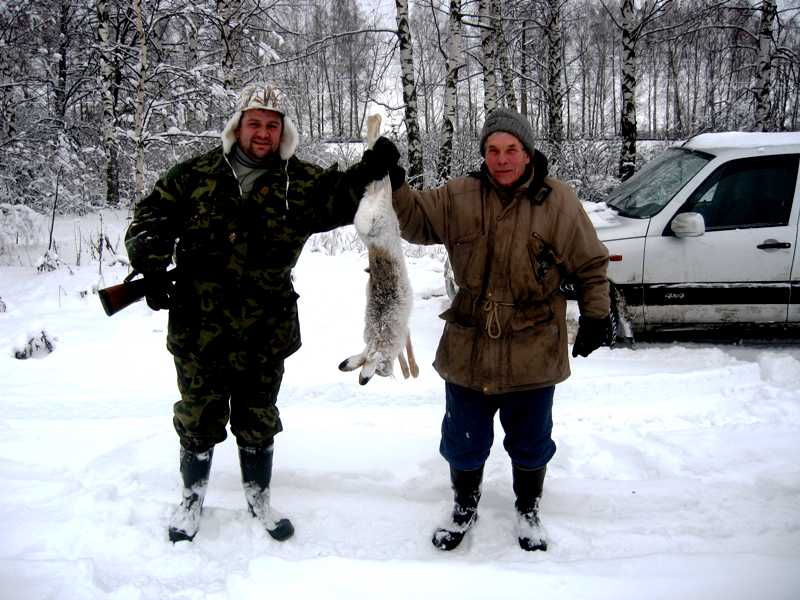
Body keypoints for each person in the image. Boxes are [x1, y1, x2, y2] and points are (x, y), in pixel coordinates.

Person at [125, 83, 397, 543]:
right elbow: (148, 219)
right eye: (255, 123)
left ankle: (259, 500)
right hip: (200, 329)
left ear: (283, 131)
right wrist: (151, 266)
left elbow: (343, 196)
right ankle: (191, 502)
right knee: (197, 420)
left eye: (273, 125)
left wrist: (374, 172)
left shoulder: (300, 182)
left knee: (258, 420)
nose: (263, 133)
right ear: (239, 126)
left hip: (265, 330)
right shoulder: (193, 175)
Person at [368, 108, 611, 551]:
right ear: (483, 153)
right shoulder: (461, 195)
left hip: (534, 342)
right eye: (493, 150)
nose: (502, 159)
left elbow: (592, 263)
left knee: (531, 441)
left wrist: (597, 314)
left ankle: (528, 508)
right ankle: (464, 506)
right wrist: (396, 183)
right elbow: (417, 220)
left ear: (527, 152)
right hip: (470, 341)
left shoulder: (558, 200)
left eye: (511, 150)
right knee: (463, 440)